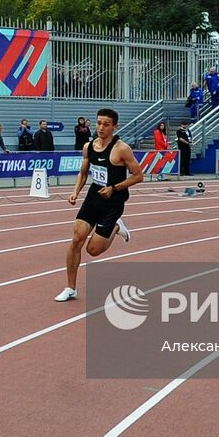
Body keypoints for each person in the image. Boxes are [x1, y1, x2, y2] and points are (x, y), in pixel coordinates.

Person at [55, 108, 145, 302]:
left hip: (113, 203)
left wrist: (114, 187)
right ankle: (71, 288)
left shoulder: (121, 148)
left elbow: (138, 176)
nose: (101, 127)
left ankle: (116, 226)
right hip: (93, 197)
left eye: (106, 124)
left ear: (114, 126)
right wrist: (75, 192)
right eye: (98, 123)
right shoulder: (89, 146)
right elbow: (84, 172)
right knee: (76, 239)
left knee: (93, 250)